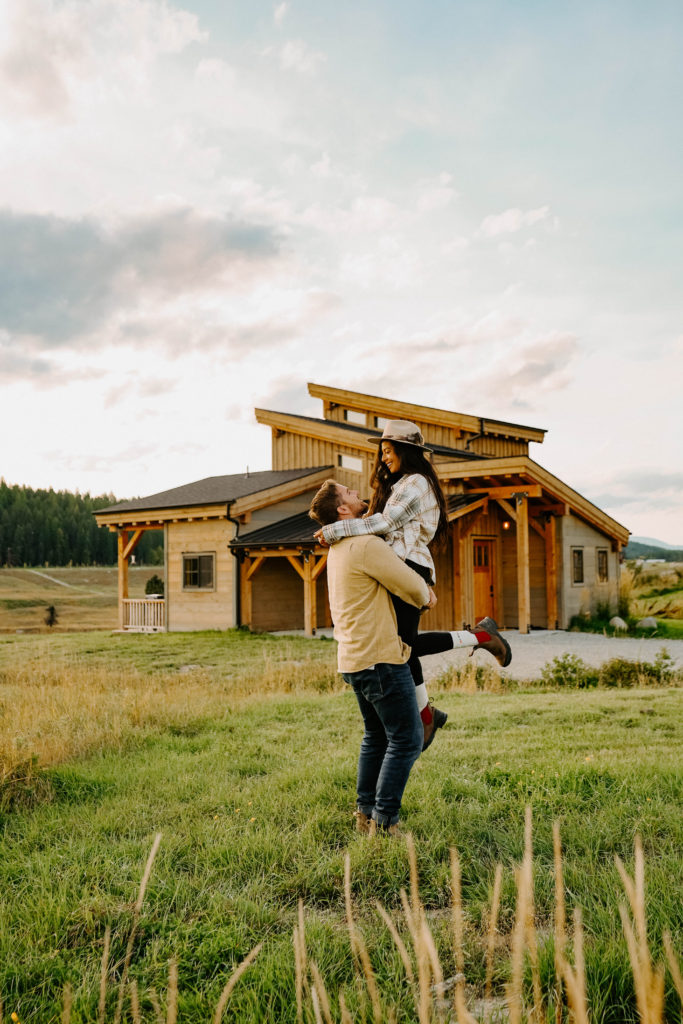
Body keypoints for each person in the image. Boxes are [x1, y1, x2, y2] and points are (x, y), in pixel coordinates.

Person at [314, 420, 511, 737]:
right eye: (382, 452)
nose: (384, 458)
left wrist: (333, 530)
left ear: (406, 451)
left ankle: (480, 641)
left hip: (409, 565)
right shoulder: (401, 484)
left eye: (389, 451)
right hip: (399, 565)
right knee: (402, 646)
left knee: (404, 646)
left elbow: (385, 523)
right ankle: (426, 712)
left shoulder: (416, 482)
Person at [308, 479, 436, 835]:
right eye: (349, 493)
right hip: (380, 658)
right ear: (343, 511)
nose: (356, 491)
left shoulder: (337, 549)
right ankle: (385, 821)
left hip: (352, 658)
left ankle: (364, 814)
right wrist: (426, 594)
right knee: (407, 739)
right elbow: (407, 583)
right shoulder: (364, 545)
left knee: (375, 737)